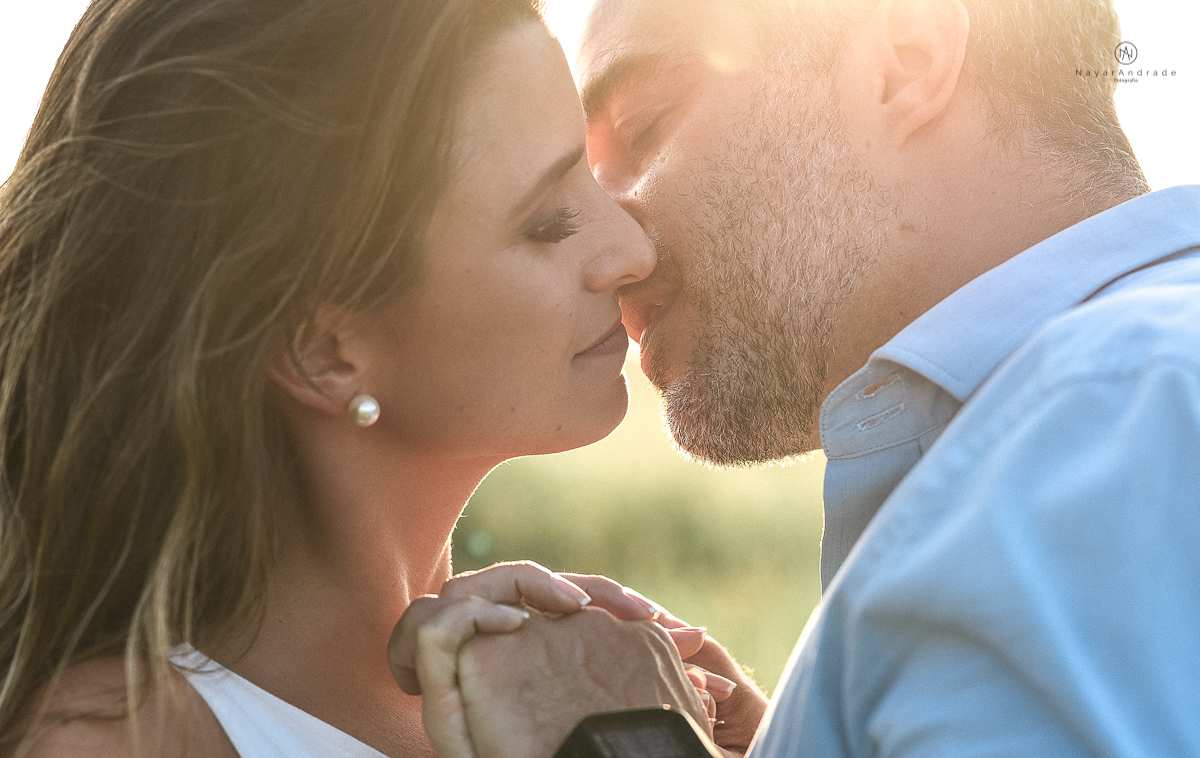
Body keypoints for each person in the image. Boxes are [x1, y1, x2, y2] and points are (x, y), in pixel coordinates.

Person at [391, 0, 1200, 755]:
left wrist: (625, 741)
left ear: (904, 68)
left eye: (644, 125)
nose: (610, 239)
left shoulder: (1103, 422)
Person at [0, 0, 718, 755]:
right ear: (326, 352)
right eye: (547, 223)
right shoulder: (118, 740)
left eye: (592, 180)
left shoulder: (566, 684)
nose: (632, 249)